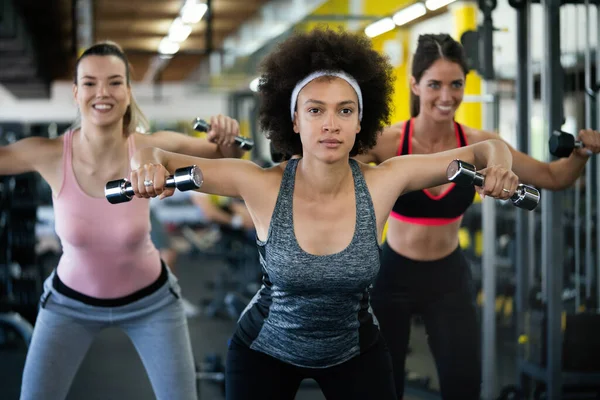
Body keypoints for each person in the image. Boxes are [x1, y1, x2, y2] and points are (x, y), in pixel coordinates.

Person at [126, 28, 520, 400]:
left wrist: (501, 165)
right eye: (315, 110)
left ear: (359, 120)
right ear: (295, 119)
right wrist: (147, 166)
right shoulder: (259, 183)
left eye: (345, 110)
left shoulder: (385, 181)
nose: (331, 124)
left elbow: (485, 151)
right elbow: (151, 152)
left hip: (355, 351)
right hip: (264, 349)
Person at [354, 33, 600, 399]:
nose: (446, 96)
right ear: (415, 84)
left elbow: (553, 177)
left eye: (456, 84)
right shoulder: (388, 142)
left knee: (464, 385)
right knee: (383, 387)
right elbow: (334, 173)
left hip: (448, 278)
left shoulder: (479, 144)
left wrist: (580, 155)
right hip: (392, 275)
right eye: (434, 84)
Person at [1, 41, 245, 400]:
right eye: (90, 83)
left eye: (115, 82)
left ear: (128, 93)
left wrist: (228, 136)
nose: (103, 92)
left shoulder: (153, 146)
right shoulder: (49, 153)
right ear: (75, 92)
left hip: (153, 304)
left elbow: (226, 155)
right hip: (68, 306)